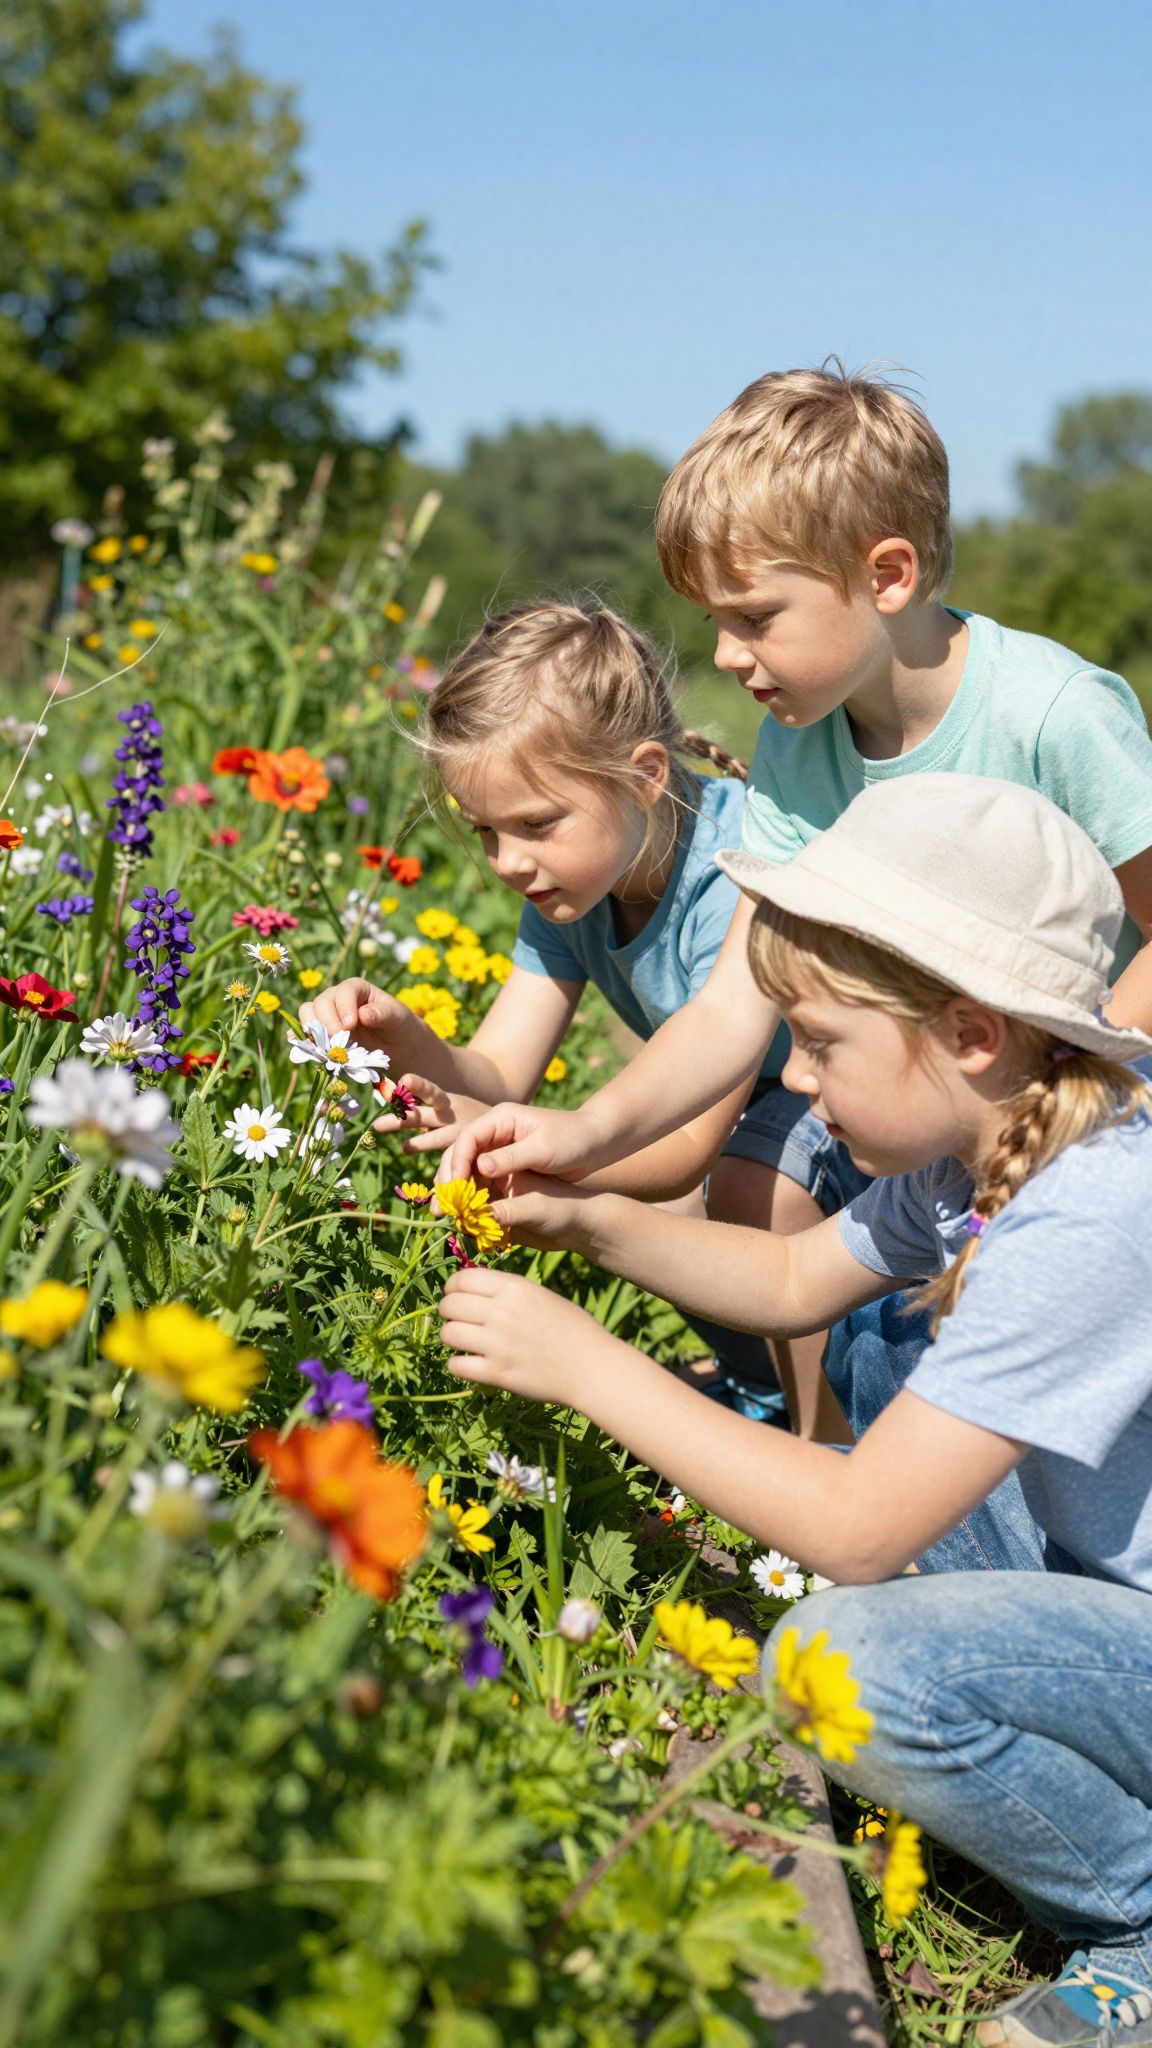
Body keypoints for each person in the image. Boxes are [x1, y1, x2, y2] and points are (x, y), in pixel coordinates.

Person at [438, 775, 1152, 2043]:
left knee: (836, 1662)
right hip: (1103, 1574)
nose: (804, 1085)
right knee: (881, 1342)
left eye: (821, 1043)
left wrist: (587, 1364)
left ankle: (1137, 1911)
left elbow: (861, 1531)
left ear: (970, 1031)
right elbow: (789, 1278)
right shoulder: (995, 1137)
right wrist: (588, 1218)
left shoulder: (1091, 1213)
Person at [446, 364, 1152, 1438]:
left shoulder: (1054, 714)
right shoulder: (799, 743)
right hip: (938, 1099)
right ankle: (821, 1447)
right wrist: (584, 1133)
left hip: (1089, 1100)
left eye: (755, 617)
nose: (727, 655)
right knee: (833, 1268)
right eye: (714, 620)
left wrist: (1062, 1094)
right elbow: (732, 1007)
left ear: (887, 576)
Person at [303, 599, 851, 1421]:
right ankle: (760, 1391)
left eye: (534, 824)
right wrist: (405, 1041)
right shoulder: (576, 879)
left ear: (644, 776)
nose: (506, 862)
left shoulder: (727, 879)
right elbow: (498, 1074)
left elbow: (684, 1151)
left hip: (853, 1096)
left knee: (740, 1187)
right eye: (485, 832)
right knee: (655, 1201)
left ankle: (823, 1433)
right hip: (747, 1101)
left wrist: (528, 1151)